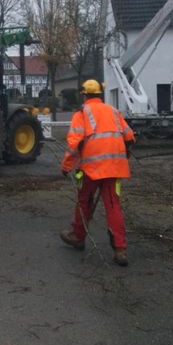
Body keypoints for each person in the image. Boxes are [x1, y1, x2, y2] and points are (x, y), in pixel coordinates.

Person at [60, 79, 135, 266]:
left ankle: (78, 237)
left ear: (84, 95)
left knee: (84, 201)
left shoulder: (82, 113)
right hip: (114, 167)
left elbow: (74, 145)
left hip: (91, 168)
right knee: (113, 204)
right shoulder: (113, 111)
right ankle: (120, 250)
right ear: (100, 95)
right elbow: (130, 136)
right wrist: (125, 153)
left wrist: (66, 166)